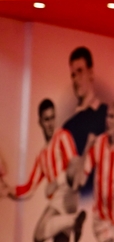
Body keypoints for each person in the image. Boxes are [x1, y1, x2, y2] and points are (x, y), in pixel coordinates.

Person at [1, 99, 86, 242]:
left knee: (38, 234)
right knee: (58, 239)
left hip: (66, 193)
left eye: (53, 118)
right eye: (46, 119)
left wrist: (58, 182)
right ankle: (73, 221)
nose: (50, 124)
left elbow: (74, 166)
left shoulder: (62, 136)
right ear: (40, 122)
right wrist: (9, 190)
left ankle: (73, 220)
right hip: (60, 202)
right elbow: (29, 187)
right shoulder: (42, 155)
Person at [78, 102, 114, 242]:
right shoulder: (98, 144)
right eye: (107, 117)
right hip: (100, 216)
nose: (108, 121)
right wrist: (86, 149)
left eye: (112, 117)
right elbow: (81, 179)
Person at [63, 47, 108, 160]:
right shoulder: (68, 126)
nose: (76, 79)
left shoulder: (107, 115)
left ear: (91, 73)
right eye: (73, 75)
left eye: (80, 71)